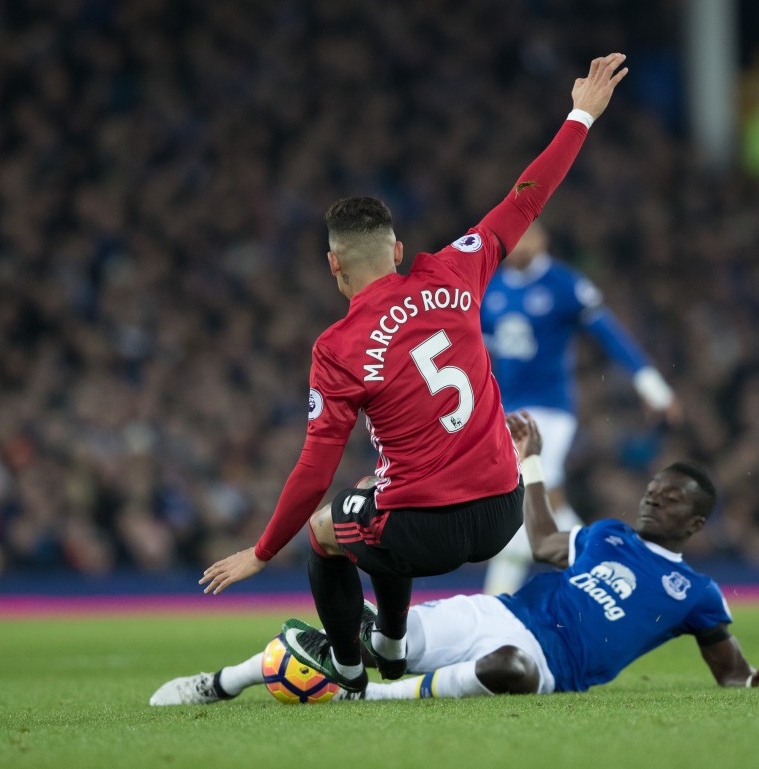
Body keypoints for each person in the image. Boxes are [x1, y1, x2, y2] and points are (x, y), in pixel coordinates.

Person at [196, 54, 632, 693]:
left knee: (331, 529)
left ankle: (346, 671)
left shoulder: (337, 347)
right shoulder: (457, 269)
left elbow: (315, 467)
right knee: (374, 489)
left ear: (333, 267)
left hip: (425, 530)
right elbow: (525, 200)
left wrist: (261, 553)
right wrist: (580, 115)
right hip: (501, 511)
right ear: (398, 252)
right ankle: (393, 645)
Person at [150, 411, 759, 706]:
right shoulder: (606, 534)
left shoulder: (698, 592)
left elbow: (731, 674)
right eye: (654, 489)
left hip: (551, 665)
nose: (654, 499)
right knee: (370, 637)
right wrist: (533, 464)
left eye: (671, 498)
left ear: (697, 522)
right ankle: (221, 682)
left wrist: (754, 684)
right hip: (501, 611)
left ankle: (372, 701)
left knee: (508, 669)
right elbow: (545, 543)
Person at [481, 219, 682, 596]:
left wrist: (651, 385)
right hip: (505, 410)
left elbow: (609, 334)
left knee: (525, 491)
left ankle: (497, 600)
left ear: (542, 239)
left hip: (551, 409)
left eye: (525, 234)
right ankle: (611, 569)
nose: (517, 243)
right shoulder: (490, 288)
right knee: (540, 497)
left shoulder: (564, 284)